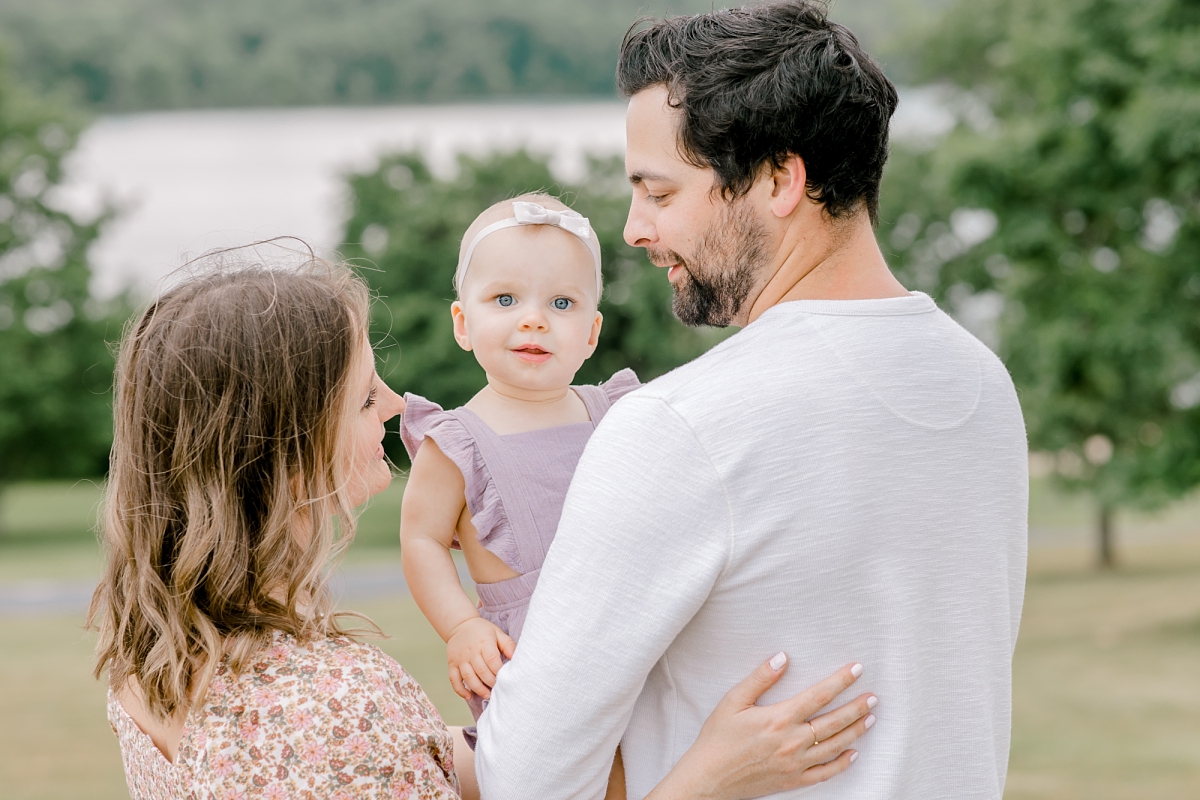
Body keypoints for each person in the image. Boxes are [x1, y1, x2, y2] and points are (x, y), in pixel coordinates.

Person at [474, 3, 1029, 800]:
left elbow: (523, 782)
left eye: (659, 193)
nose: (633, 229)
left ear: (778, 179)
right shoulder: (983, 385)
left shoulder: (681, 427)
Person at [88, 252, 878, 800]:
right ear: (289, 457)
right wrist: (711, 777)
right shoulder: (335, 701)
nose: (397, 406)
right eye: (366, 398)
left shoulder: (148, 664)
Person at [399, 194, 639, 749]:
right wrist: (461, 625)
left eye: (561, 303)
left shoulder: (616, 414)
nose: (533, 318)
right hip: (528, 653)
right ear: (463, 322)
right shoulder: (458, 441)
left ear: (592, 333)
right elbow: (423, 539)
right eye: (505, 299)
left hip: (625, 627)